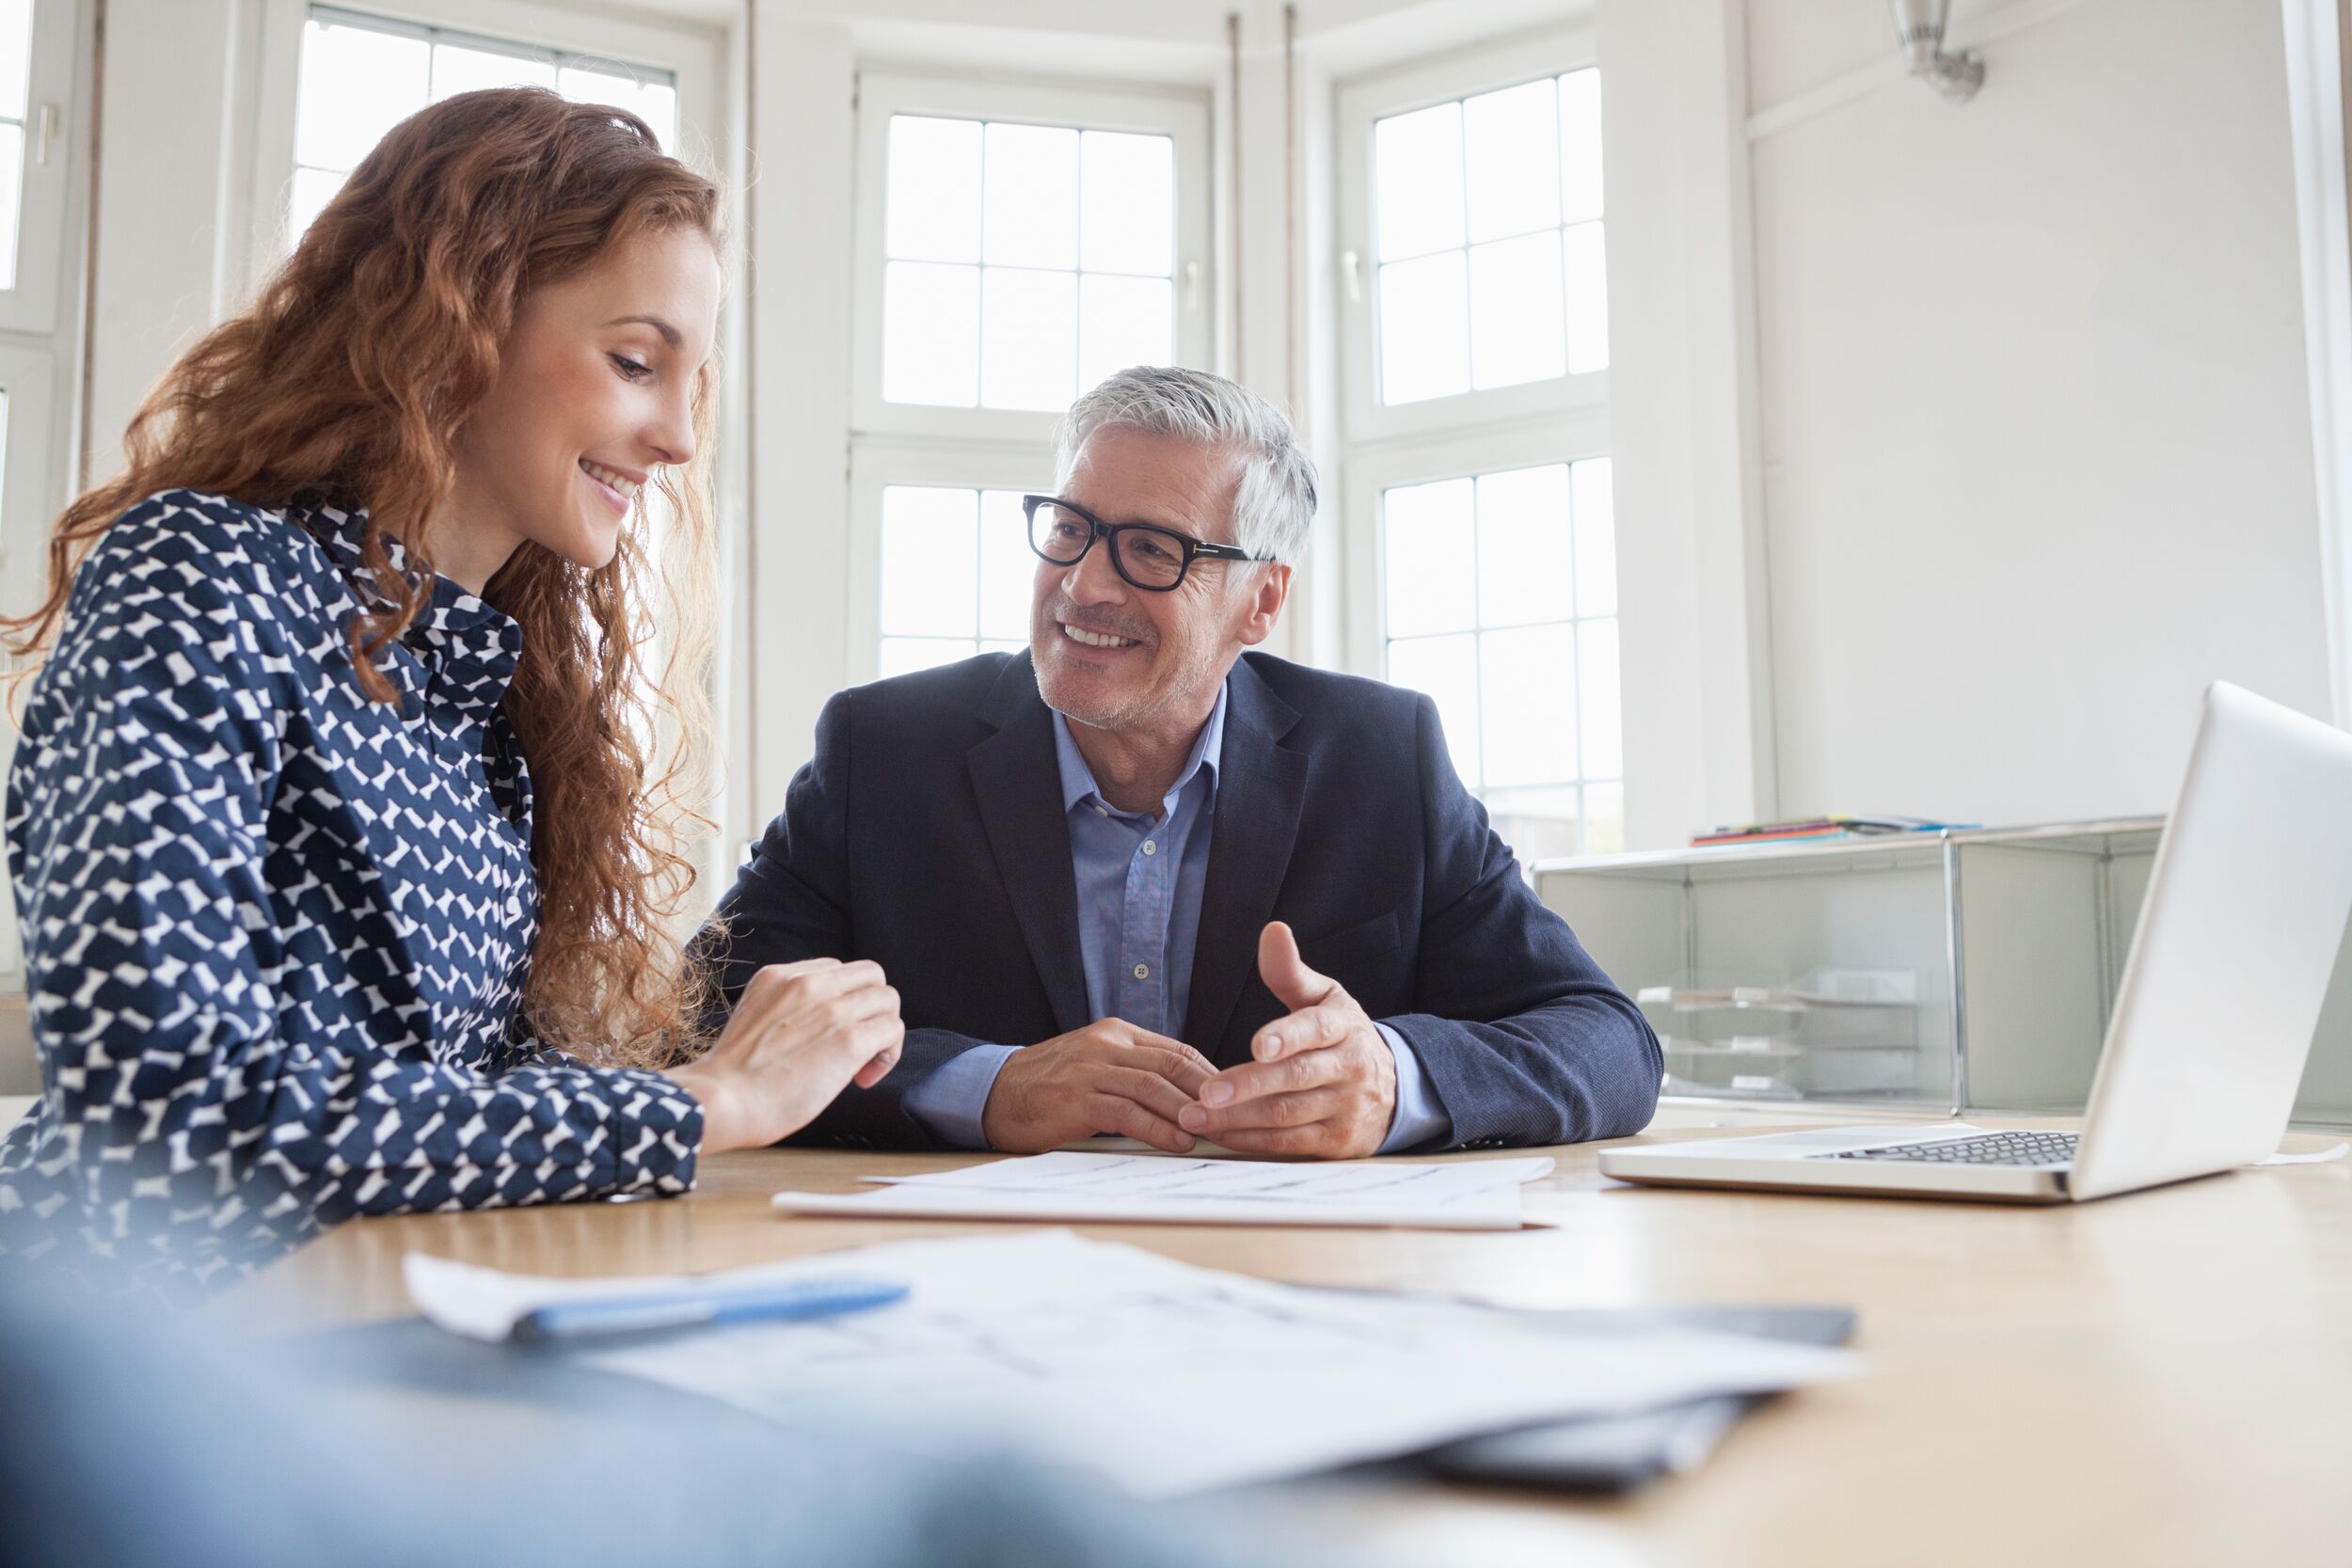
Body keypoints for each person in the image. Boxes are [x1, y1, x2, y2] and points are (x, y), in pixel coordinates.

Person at [0, 88, 900, 1297]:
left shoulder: (486, 687)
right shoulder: (204, 573)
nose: (680, 437)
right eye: (636, 361)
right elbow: (168, 1116)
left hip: (378, 1322)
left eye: (692, 381)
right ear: (455, 322)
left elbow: (472, 1112)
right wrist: (707, 1098)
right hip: (135, 1352)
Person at [697, 366, 1660, 1158]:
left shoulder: (1381, 759)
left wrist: (1391, 1079)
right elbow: (706, 1015)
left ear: (1261, 600)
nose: (1083, 585)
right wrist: (985, 1085)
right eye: (1069, 527)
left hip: (1292, 1302)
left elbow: (1607, 1039)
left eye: (1151, 549)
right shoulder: (886, 751)